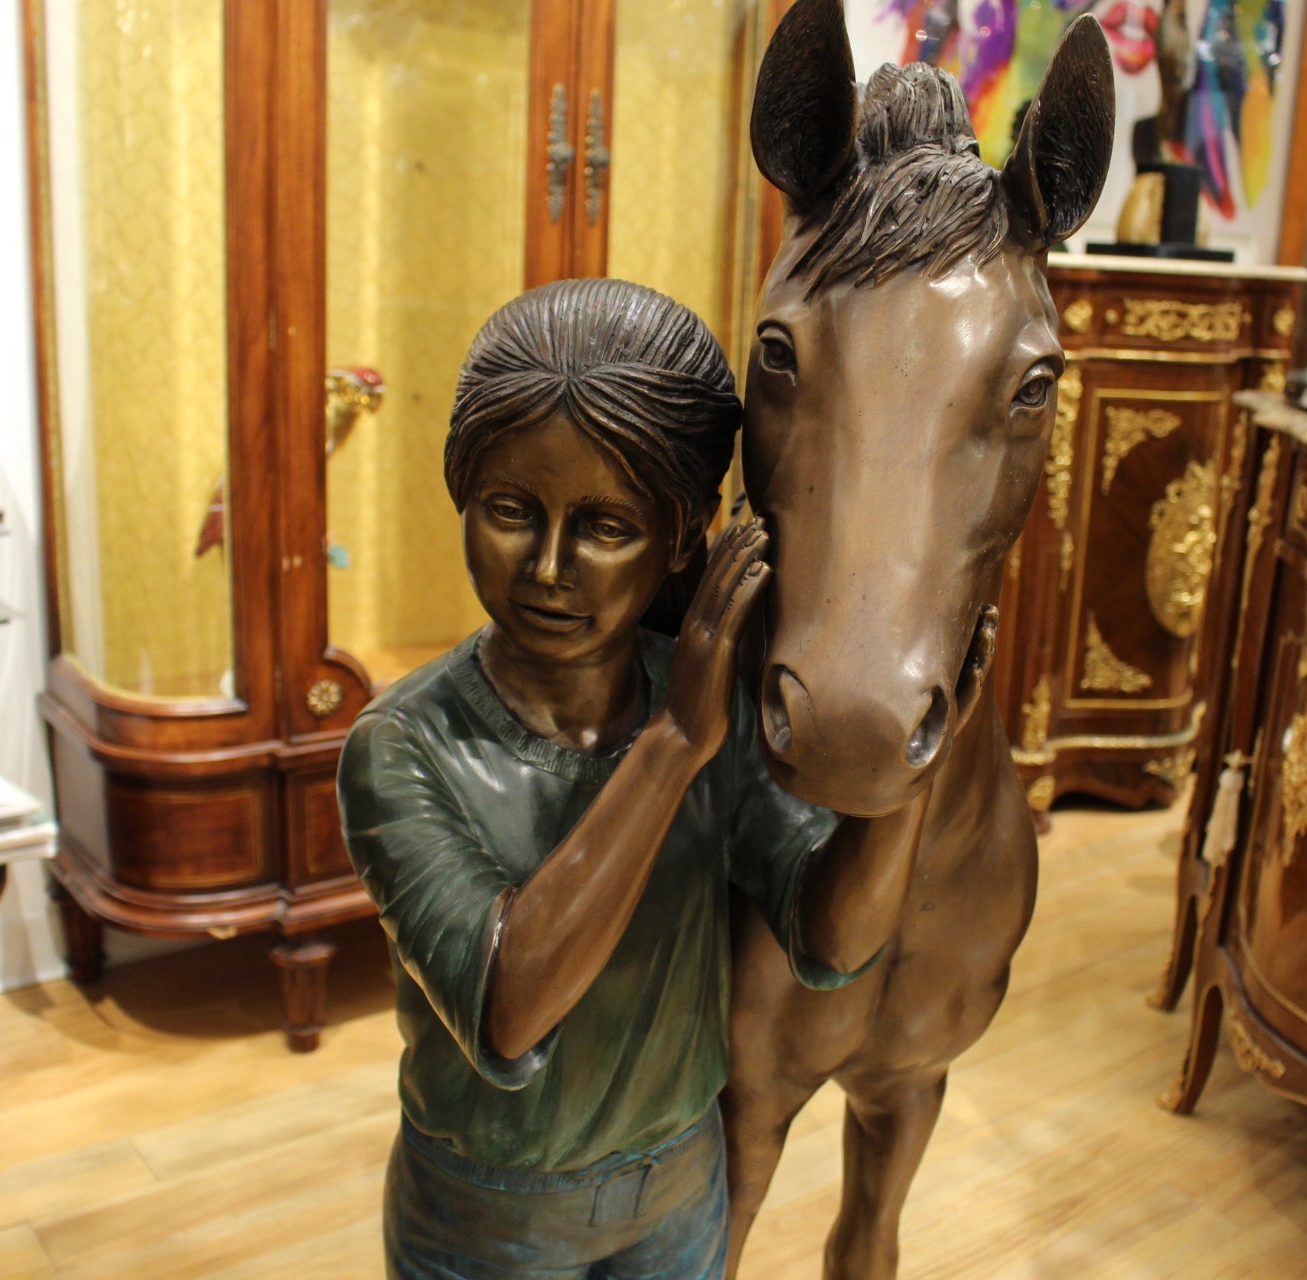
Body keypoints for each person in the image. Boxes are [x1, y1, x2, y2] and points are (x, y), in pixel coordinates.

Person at [337, 278, 928, 1280]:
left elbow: (830, 940)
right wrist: (670, 747)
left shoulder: (700, 705)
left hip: (677, 1194)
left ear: (681, 535)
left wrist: (908, 763)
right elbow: (508, 1005)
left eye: (607, 528)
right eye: (510, 509)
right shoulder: (403, 744)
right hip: (486, 1219)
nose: (549, 566)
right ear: (462, 494)